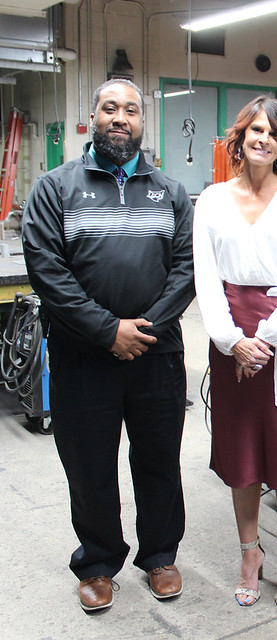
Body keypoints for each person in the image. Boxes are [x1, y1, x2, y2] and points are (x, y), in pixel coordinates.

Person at [22, 79, 195, 612]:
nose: (120, 117)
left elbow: (188, 269)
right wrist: (105, 330)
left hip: (156, 355)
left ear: (143, 122)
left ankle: (160, 555)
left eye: (131, 110)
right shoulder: (55, 188)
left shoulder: (171, 193)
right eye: (110, 108)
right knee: (89, 464)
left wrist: (142, 330)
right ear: (93, 116)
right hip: (82, 357)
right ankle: (98, 562)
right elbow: (47, 270)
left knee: (159, 460)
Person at [192, 96, 277, 608]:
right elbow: (206, 277)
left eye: (273, 132)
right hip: (232, 341)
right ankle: (251, 553)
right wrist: (232, 342)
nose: (263, 138)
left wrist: (268, 337)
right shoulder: (211, 200)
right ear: (240, 137)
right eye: (255, 130)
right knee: (242, 452)